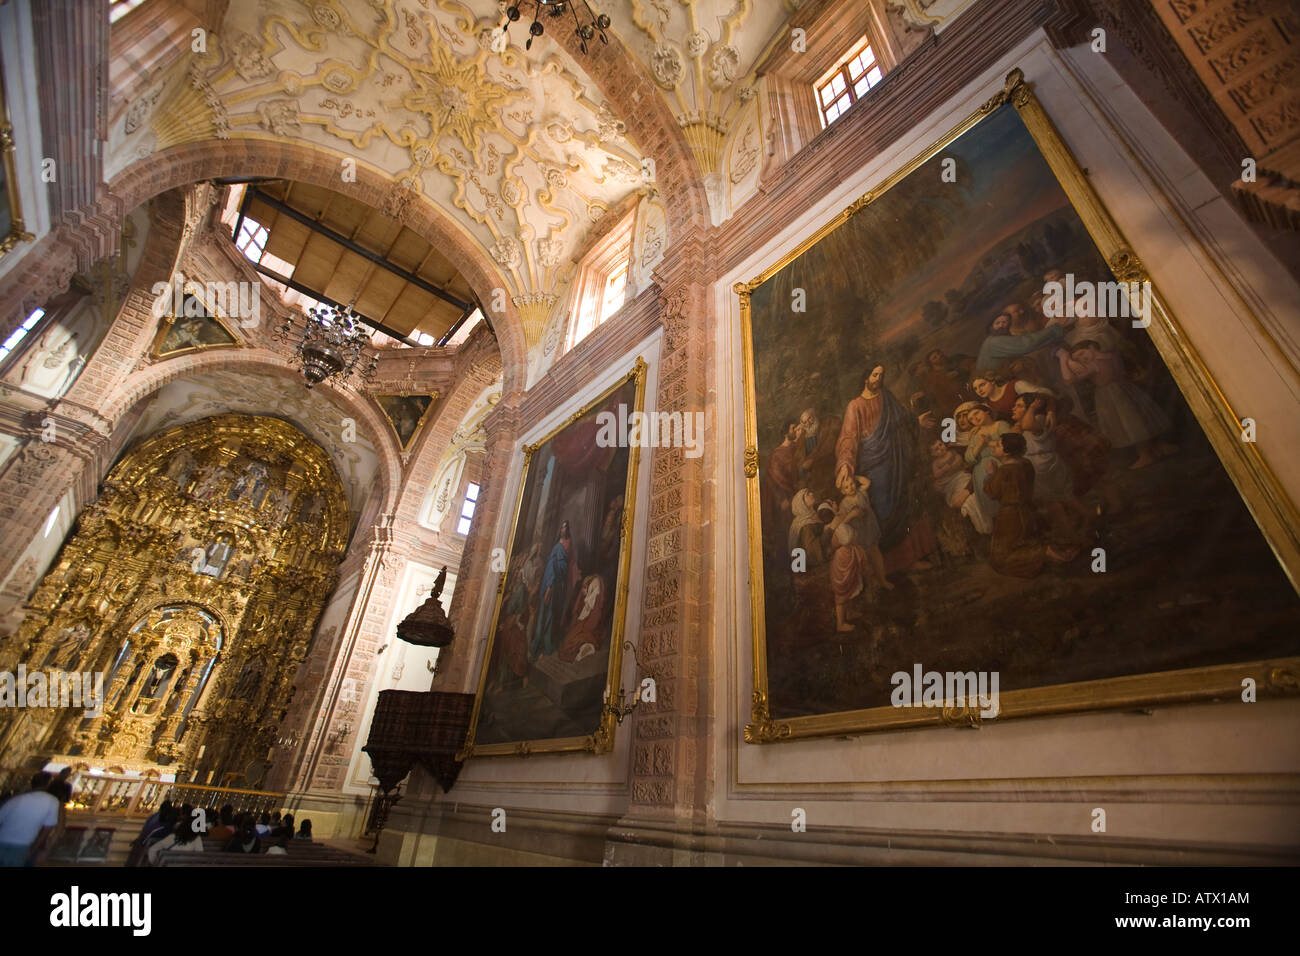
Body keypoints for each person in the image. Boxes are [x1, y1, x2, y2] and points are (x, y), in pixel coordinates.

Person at [834, 362, 939, 574]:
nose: (878, 379)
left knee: (903, 506)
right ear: (866, 377)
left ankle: (909, 561)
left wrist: (916, 420)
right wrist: (845, 464)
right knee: (882, 513)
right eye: (874, 374)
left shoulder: (887, 397)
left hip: (895, 462)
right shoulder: (855, 406)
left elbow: (901, 420)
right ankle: (887, 567)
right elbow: (848, 438)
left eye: (881, 375)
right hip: (874, 467)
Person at [1057, 341, 1177, 469]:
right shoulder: (1106, 358)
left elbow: (1069, 380)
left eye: (1082, 353)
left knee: (1135, 422)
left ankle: (1150, 451)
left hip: (1117, 395)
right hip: (1119, 393)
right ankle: (1151, 450)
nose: (1081, 359)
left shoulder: (1099, 362)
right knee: (1136, 421)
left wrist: (1064, 359)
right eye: (1077, 359)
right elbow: (1070, 380)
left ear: (1091, 347)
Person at [531, 521, 579, 660]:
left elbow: (564, 567)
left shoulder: (566, 546)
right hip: (550, 585)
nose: (563, 529)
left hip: (556, 586)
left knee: (551, 615)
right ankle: (540, 644)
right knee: (545, 615)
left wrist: (552, 587)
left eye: (565, 527)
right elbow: (552, 567)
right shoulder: (558, 546)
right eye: (562, 527)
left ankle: (544, 644)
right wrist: (548, 587)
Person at [0, 773, 61, 867]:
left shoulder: (16, 798)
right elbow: (47, 829)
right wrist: (36, 849)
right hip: (22, 845)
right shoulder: (52, 801)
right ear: (48, 784)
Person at [793, 408, 841, 500]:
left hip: (826, 470)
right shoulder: (803, 438)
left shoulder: (825, 428)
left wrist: (812, 460)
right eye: (805, 422)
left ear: (814, 416)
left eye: (810, 419)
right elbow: (798, 457)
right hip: (812, 476)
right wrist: (803, 465)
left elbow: (828, 448)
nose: (808, 423)